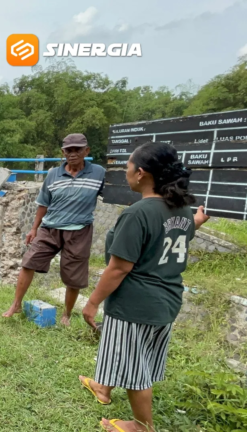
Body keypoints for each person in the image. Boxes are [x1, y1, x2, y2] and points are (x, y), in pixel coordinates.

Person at [78, 141, 209, 432]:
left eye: (127, 167)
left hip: (134, 305)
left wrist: (92, 302)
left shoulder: (137, 213)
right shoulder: (183, 211)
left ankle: (142, 426)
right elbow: (170, 234)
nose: (126, 172)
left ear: (141, 174)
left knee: (137, 371)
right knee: (129, 351)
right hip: (166, 301)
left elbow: (119, 267)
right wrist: (195, 222)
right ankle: (102, 386)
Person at [2, 133, 106, 325]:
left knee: (73, 276)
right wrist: (34, 229)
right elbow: (43, 204)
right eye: (69, 150)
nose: (73, 154)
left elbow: (111, 195)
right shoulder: (53, 175)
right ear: (63, 152)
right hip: (50, 228)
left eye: (78, 150)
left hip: (79, 230)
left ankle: (66, 315)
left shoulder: (98, 173)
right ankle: (16, 304)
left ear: (86, 151)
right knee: (29, 261)